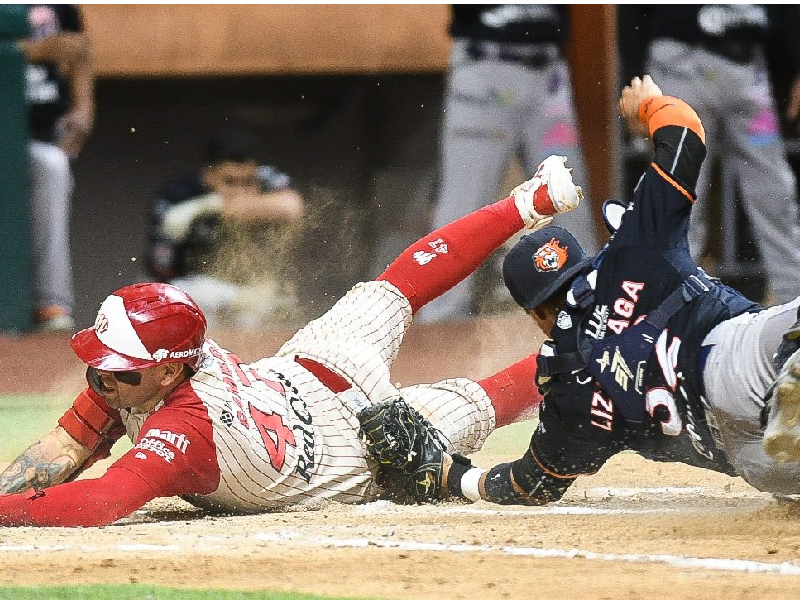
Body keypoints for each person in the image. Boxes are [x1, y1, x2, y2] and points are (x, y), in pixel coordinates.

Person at [0, 155, 585, 526]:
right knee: (393, 292)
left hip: (357, 449)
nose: (104, 378)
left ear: (171, 371)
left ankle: (601, 342)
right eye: (102, 366)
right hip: (308, 367)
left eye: (120, 370)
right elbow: (61, 452)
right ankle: (529, 205)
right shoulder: (135, 376)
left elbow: (101, 502)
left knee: (479, 390)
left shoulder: (185, 426)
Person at [364, 76, 800, 506]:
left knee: (775, 471)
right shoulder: (632, 253)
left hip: (750, 459)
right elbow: (686, 134)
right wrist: (648, 104)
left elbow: (530, 484)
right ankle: (791, 387)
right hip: (741, 358)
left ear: (535, 314)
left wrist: (450, 475)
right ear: (585, 264)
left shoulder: (567, 387)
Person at [418, 4, 599, 323]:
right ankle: (435, 327)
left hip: (549, 72)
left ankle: (593, 321)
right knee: (463, 212)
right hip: (486, 63)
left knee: (571, 202)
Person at [619, 5, 800, 306]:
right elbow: (631, 14)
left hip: (749, 67)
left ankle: (796, 312)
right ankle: (665, 315)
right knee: (679, 195)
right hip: (680, 63)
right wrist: (633, 82)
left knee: (775, 195)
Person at [145, 128, 305, 328]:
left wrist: (213, 205)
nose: (239, 192)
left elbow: (292, 208)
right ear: (209, 174)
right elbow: (161, 273)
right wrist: (224, 295)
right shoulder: (177, 195)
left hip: (255, 293)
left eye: (247, 182)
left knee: (272, 307)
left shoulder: (266, 176)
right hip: (198, 293)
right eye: (229, 182)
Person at [23, 4, 94, 331]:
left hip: (40, 130)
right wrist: (32, 50)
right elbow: (45, 48)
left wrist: (84, 109)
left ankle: (51, 303)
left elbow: (80, 49)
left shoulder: (60, 6)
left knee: (52, 166)